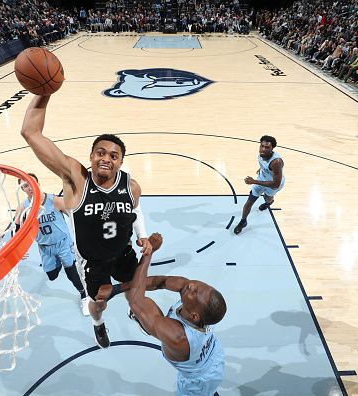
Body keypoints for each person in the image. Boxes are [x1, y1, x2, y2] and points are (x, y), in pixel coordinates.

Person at [20, 95, 152, 348]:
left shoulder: (131, 186)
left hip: (124, 253)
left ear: (121, 162)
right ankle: (98, 324)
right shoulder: (76, 179)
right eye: (100, 153)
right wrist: (44, 91)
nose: (106, 158)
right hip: (92, 262)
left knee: (136, 293)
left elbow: (137, 211)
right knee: (98, 303)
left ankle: (134, 310)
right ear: (91, 156)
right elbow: (30, 132)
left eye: (114, 156)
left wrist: (142, 235)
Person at [126, 232, 227, 396]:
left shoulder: (177, 336)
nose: (192, 285)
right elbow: (161, 281)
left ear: (194, 316)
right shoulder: (195, 299)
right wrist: (117, 289)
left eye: (195, 292)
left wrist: (148, 253)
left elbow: (136, 301)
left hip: (199, 380)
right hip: (214, 355)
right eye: (200, 285)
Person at [15, 172, 89, 316]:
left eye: (32, 183)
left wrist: (84, 234)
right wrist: (18, 250)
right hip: (45, 247)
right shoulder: (23, 207)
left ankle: (84, 295)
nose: (29, 187)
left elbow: (74, 216)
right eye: (25, 186)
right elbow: (17, 230)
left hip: (62, 243)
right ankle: (60, 263)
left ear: (38, 184)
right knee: (52, 275)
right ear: (22, 189)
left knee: (71, 272)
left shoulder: (54, 200)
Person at [233, 135, 284, 235]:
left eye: (267, 147)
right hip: (261, 180)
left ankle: (268, 202)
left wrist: (254, 181)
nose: (263, 149)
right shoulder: (261, 154)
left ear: (272, 148)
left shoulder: (276, 162)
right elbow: (263, 165)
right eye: (262, 146)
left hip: (273, 185)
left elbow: (276, 183)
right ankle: (243, 221)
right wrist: (261, 169)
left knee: (267, 197)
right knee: (249, 202)